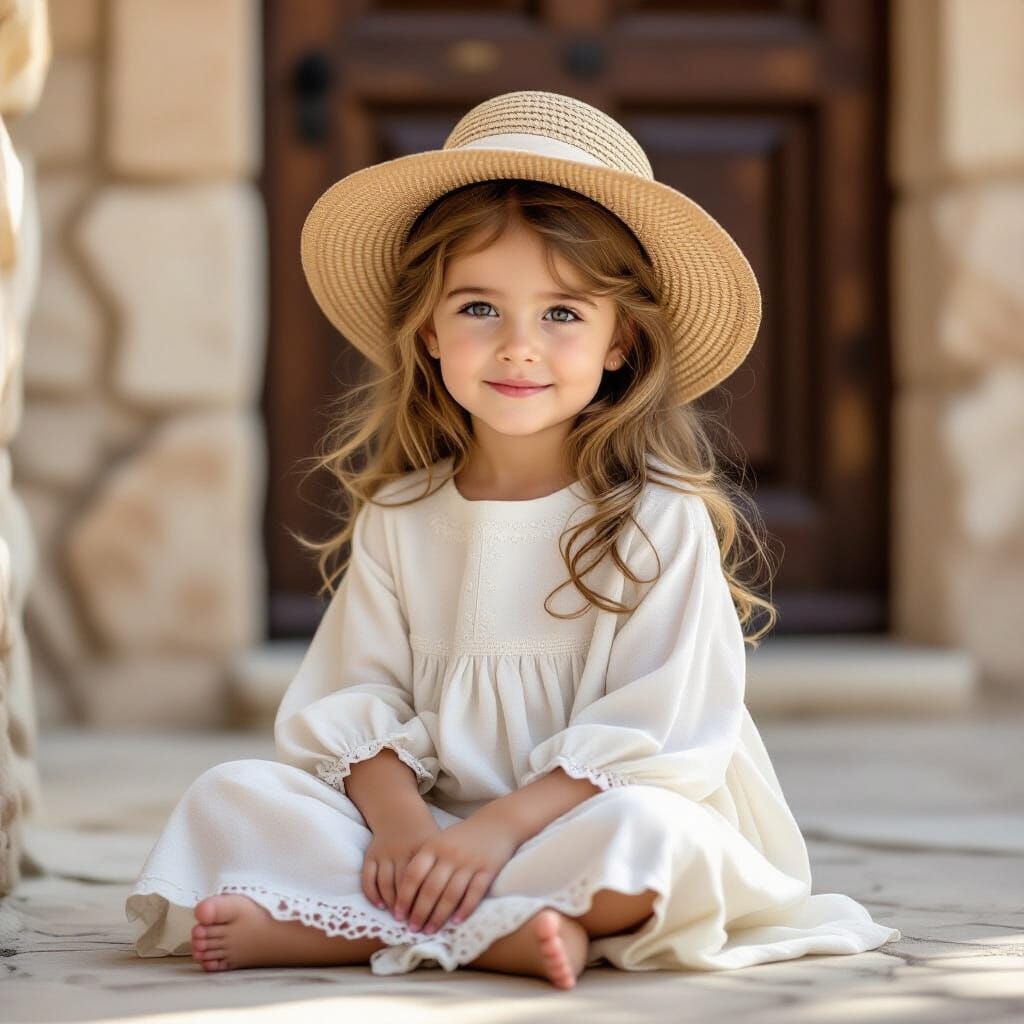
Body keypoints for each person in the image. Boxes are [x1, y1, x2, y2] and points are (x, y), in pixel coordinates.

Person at [124, 90, 901, 989]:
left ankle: (337, 930)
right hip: (431, 826)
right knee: (231, 796)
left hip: (583, 819)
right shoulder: (403, 513)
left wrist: (497, 833)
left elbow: (657, 735)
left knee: (656, 841)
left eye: (563, 314)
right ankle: (508, 928)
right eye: (479, 309)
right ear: (427, 333)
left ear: (623, 342)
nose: (518, 347)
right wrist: (407, 828)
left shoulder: (655, 514)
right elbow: (354, 696)